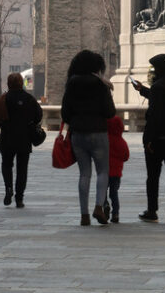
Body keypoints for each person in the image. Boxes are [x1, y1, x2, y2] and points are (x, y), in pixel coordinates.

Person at [61, 49, 116, 226]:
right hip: (98, 132)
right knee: (102, 171)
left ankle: (84, 215)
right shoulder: (100, 85)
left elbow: (65, 113)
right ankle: (99, 206)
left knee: (84, 174)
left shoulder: (71, 84)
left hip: (78, 134)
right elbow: (110, 112)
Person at [133, 53, 165, 226]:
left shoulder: (157, 87)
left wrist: (147, 140)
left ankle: (152, 211)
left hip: (158, 139)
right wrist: (143, 90)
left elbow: (155, 114)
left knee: (153, 177)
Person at [0, 72, 43, 208]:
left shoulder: (3, 99)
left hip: (7, 138)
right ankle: (19, 198)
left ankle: (8, 188)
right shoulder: (29, 99)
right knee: (22, 168)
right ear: (21, 83)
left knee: (6, 164)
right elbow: (38, 116)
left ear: (8, 83)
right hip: (24, 138)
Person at [103, 115, 130, 223]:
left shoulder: (104, 140)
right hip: (116, 173)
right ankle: (116, 214)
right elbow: (126, 156)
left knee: (102, 192)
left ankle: (105, 205)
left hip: (104, 171)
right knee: (114, 193)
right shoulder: (122, 142)